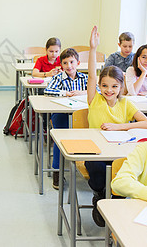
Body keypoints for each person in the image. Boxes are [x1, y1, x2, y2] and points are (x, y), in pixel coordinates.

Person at [87, 26, 147, 227]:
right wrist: (92, 49)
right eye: (105, 86)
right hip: (96, 151)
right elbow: (90, 75)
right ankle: (101, 197)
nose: (109, 90)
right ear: (99, 86)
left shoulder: (126, 103)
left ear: (121, 87)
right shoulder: (95, 99)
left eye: (114, 86)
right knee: (98, 169)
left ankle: (114, 200)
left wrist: (120, 127)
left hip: (119, 149)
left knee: (125, 168)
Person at [45, 48, 88, 190]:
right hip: (62, 113)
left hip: (81, 114)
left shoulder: (84, 78)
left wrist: (82, 92)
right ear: (61, 65)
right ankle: (57, 170)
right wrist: (65, 93)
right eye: (65, 63)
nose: (69, 66)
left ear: (78, 63)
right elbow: (48, 90)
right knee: (60, 137)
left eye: (72, 62)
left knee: (90, 133)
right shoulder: (58, 78)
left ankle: (89, 166)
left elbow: (98, 90)